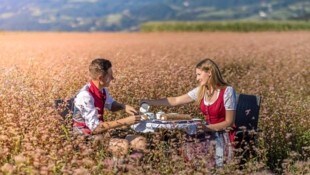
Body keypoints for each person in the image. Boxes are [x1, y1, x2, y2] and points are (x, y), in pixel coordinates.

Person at [141, 58, 237, 167]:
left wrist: (206, 128)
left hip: (222, 134)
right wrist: (149, 102)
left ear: (209, 73)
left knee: (194, 147)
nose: (197, 78)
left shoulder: (227, 91)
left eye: (199, 74)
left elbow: (229, 122)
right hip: (207, 131)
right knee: (185, 143)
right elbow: (176, 100)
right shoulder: (201, 90)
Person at [73, 58, 146, 158]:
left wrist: (123, 106)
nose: (113, 78)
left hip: (101, 134)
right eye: (110, 75)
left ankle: (132, 168)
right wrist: (126, 121)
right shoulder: (85, 96)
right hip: (85, 138)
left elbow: (111, 105)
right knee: (122, 146)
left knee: (140, 141)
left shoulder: (102, 90)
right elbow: (95, 128)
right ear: (101, 78)